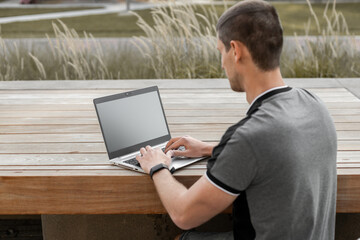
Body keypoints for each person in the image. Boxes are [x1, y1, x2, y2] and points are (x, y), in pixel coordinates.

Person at [136, 0, 337, 239]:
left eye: (221, 52)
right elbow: (279, 150)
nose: (222, 64)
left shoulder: (250, 137)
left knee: (183, 237)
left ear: (236, 50)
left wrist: (157, 165)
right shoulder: (313, 104)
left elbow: (183, 214)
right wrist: (211, 149)